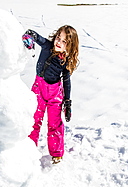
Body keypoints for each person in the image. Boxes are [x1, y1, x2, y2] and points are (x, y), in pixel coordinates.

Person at [23, 25, 79, 164]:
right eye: (58, 38)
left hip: (55, 94)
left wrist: (67, 101)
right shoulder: (47, 46)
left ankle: (57, 154)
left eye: (64, 41)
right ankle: (28, 150)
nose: (58, 42)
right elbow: (36, 36)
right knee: (34, 120)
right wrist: (29, 36)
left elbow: (67, 82)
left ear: (70, 46)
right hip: (38, 89)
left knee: (55, 123)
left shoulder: (65, 61)